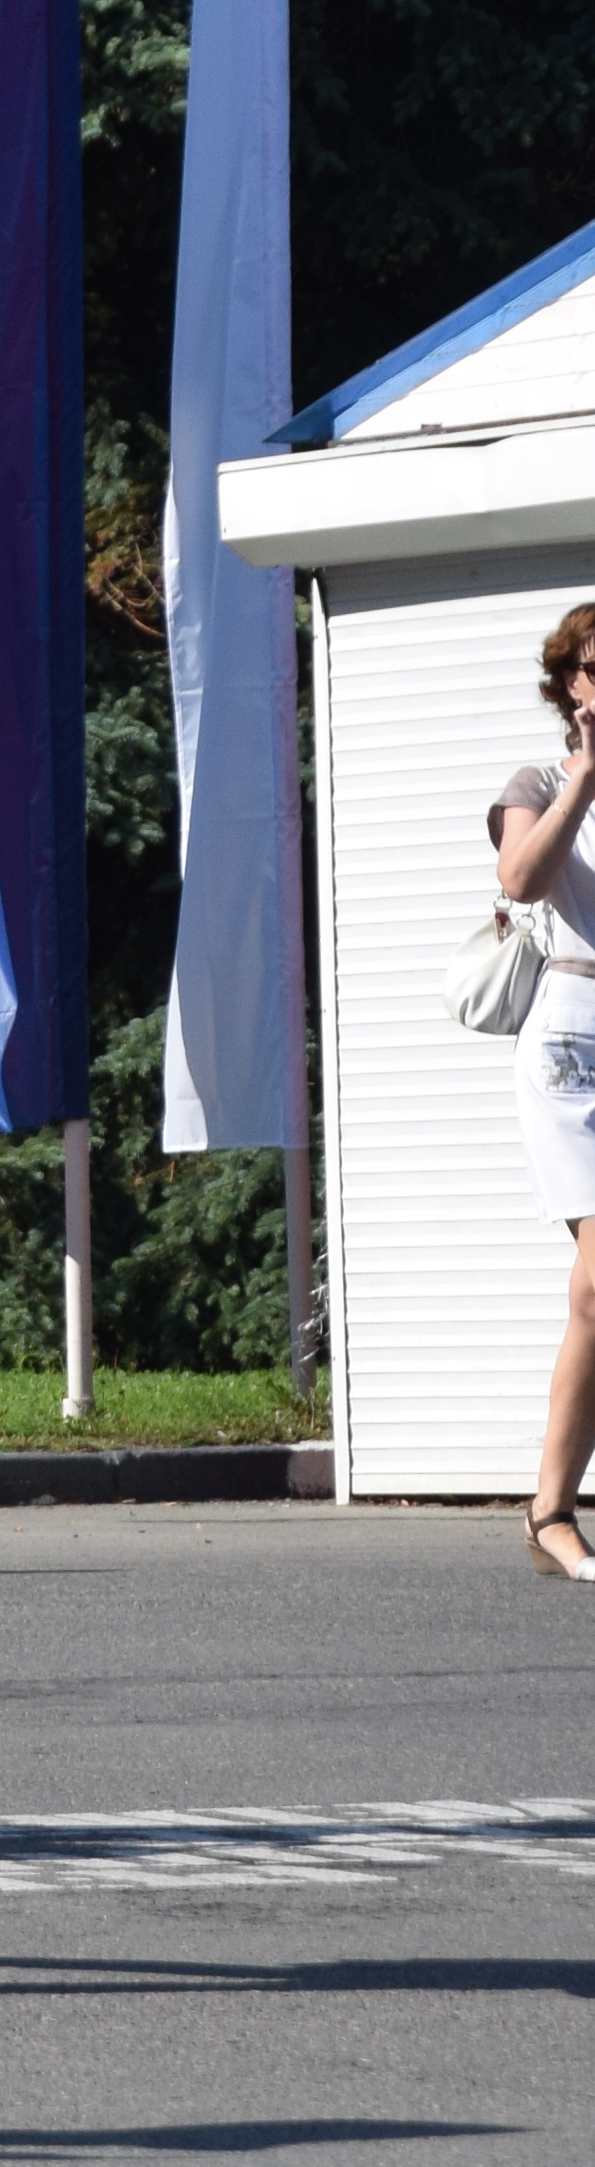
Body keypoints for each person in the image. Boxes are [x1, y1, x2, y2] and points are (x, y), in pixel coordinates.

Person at [490, 604, 595, 1584]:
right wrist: (589, 773)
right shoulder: (541, 780)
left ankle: (550, 1506)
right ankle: (552, 1510)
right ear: (572, 681)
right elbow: (520, 876)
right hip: (573, 1044)